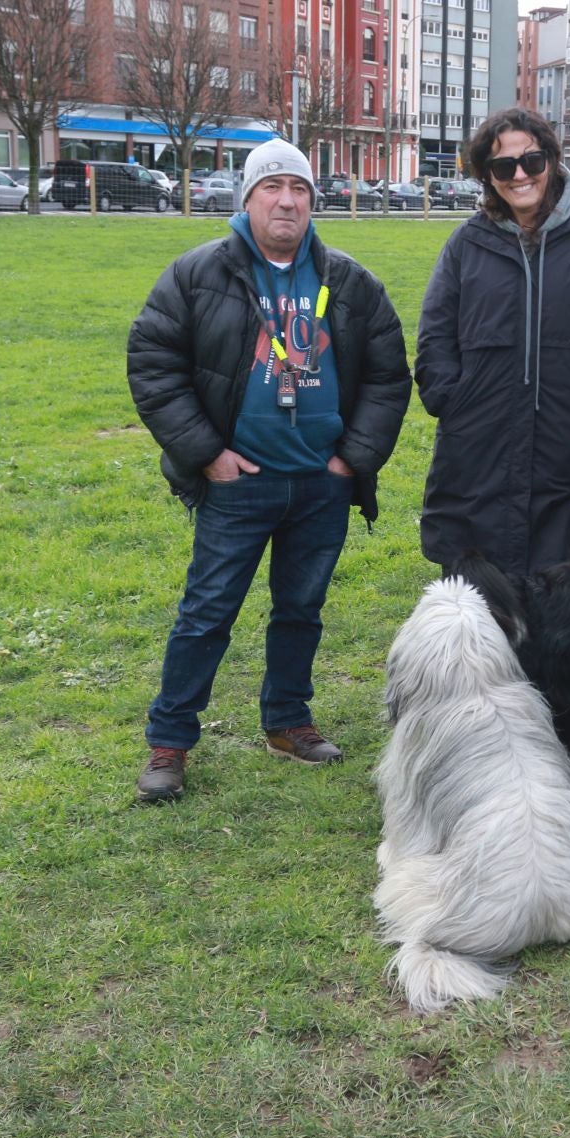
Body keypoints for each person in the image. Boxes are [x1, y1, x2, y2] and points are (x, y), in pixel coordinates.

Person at [126, 138, 413, 801]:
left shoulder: (349, 282)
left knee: (302, 609)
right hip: (239, 483)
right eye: (272, 188)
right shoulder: (197, 274)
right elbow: (152, 362)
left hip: (320, 482)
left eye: (300, 190)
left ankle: (288, 721)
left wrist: (352, 460)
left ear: (315, 201)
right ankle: (169, 742)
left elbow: (388, 378)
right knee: (206, 613)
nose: (287, 201)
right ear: (248, 199)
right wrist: (204, 452)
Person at [415, 108, 570, 576]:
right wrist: (451, 400)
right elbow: (435, 335)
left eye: (530, 161)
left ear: (550, 161)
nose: (519, 175)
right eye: (502, 166)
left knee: (552, 609)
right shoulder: (466, 244)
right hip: (477, 449)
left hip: (562, 448)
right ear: (489, 178)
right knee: (472, 603)